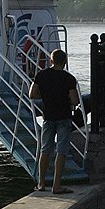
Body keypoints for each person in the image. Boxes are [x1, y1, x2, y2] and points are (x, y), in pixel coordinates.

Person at [28, 49, 79, 194]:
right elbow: (75, 100)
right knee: (61, 151)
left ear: (51, 61)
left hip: (48, 116)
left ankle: (41, 183)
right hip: (64, 116)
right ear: (65, 62)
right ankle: (56, 186)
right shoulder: (69, 78)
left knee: (45, 150)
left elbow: (31, 94)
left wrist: (44, 94)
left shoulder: (41, 75)